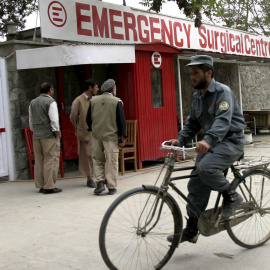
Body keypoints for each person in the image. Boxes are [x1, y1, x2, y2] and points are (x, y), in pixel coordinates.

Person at [168, 55, 246, 243]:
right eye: (191, 73)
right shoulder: (198, 96)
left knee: (205, 168)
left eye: (196, 73)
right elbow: (192, 123)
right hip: (213, 145)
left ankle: (232, 196)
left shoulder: (222, 92)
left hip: (231, 142)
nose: (192, 77)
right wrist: (180, 140)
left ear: (208, 73)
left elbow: (222, 121)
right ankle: (192, 228)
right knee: (195, 182)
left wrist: (208, 140)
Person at [86, 79, 126, 195]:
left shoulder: (93, 100)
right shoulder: (117, 101)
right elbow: (121, 121)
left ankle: (99, 182)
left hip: (97, 135)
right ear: (113, 89)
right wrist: (122, 136)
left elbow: (88, 118)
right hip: (111, 136)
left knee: (97, 159)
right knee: (111, 160)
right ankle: (111, 186)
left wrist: (92, 129)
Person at [29, 82, 62, 194]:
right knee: (50, 160)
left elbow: (31, 120)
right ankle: (49, 186)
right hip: (48, 135)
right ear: (50, 90)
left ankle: (41, 185)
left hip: (36, 135)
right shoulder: (51, 102)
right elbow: (54, 120)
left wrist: (35, 131)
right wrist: (56, 134)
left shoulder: (32, 102)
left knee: (39, 161)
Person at [70, 79, 99, 188]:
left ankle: (98, 176)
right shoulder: (78, 101)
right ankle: (89, 178)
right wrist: (79, 127)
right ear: (90, 88)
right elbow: (73, 117)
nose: (97, 89)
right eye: (96, 87)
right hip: (85, 133)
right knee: (87, 155)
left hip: (96, 132)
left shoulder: (94, 100)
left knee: (96, 154)